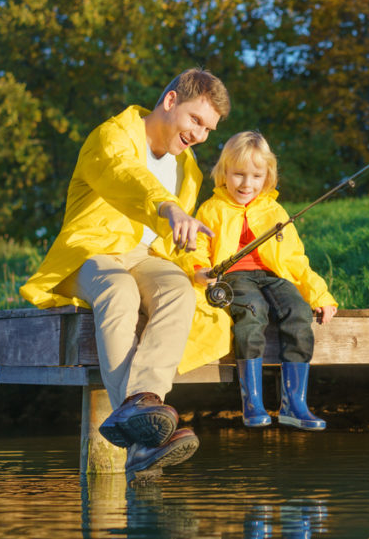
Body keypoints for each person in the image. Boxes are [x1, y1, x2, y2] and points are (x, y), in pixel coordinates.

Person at [20, 68, 232, 476]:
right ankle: (142, 431)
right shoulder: (112, 135)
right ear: (170, 101)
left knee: (178, 290)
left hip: (144, 255)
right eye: (196, 120)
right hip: (90, 250)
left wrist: (198, 269)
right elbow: (124, 177)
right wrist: (167, 206)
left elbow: (173, 243)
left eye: (209, 128)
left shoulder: (188, 168)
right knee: (119, 292)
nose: (200, 135)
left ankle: (143, 409)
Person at [182, 131, 338, 430]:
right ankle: (252, 402)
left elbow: (294, 258)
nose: (246, 183)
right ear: (224, 173)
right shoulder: (211, 209)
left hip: (272, 277)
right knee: (252, 312)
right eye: (239, 174)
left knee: (298, 312)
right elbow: (197, 248)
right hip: (235, 276)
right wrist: (201, 270)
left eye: (256, 176)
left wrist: (319, 295)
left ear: (267, 177)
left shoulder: (274, 211)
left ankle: (295, 404)